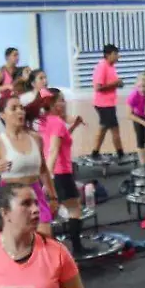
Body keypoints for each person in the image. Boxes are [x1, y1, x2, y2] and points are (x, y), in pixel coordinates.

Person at [0, 94, 58, 236]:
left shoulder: (36, 138)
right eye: (14, 108)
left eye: (21, 108)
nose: (20, 112)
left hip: (35, 194)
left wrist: (53, 197)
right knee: (18, 244)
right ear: (3, 115)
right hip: (10, 198)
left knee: (45, 240)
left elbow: (43, 170)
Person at [39, 89, 91, 255]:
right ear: (53, 104)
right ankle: (76, 249)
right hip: (60, 172)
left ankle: (53, 249)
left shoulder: (45, 121)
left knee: (56, 209)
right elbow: (54, 150)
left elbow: (60, 141)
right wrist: (49, 178)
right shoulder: (57, 122)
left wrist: (73, 126)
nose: (65, 103)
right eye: (61, 100)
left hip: (54, 171)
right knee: (74, 209)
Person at [89, 44, 125, 160]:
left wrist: (118, 84)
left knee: (104, 128)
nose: (118, 56)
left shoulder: (111, 66)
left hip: (109, 103)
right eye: (115, 54)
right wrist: (115, 84)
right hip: (103, 104)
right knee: (114, 129)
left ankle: (95, 152)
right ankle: (120, 153)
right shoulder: (102, 67)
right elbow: (98, 87)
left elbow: (111, 84)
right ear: (107, 55)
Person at [126, 73, 145, 168]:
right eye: (139, 86)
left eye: (144, 86)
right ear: (136, 86)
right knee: (140, 141)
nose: (142, 89)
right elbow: (128, 115)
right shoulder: (133, 96)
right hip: (138, 116)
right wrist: (144, 123)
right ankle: (143, 164)